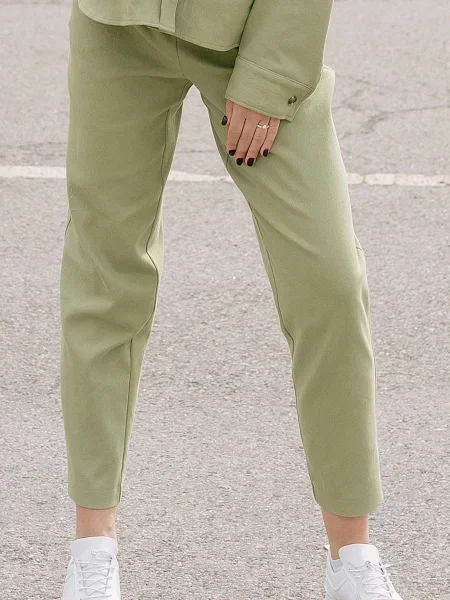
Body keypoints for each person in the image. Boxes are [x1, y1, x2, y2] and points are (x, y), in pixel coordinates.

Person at [59, 1, 403, 599]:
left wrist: (272, 71)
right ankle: (93, 554)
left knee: (329, 283)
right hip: (116, 24)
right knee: (104, 278)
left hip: (251, 30)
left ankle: (352, 559)